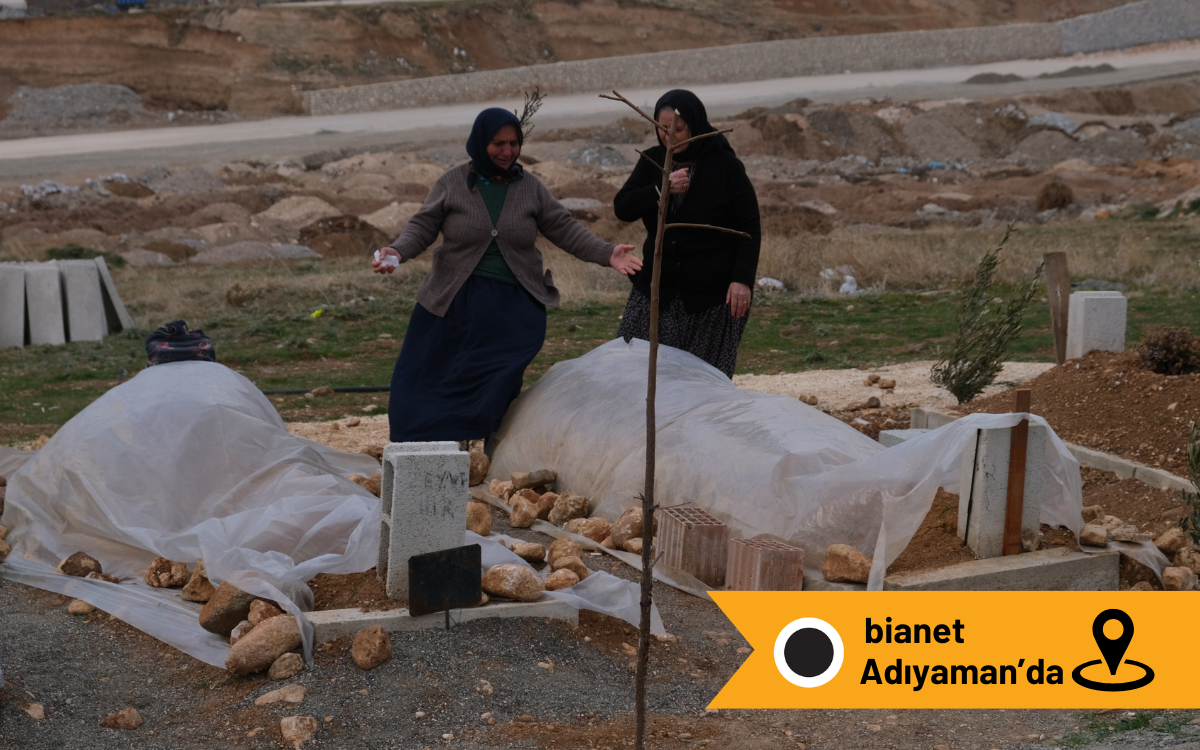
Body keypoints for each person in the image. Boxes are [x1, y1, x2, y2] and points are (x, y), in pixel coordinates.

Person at [373, 108, 642, 443]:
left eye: (514, 143)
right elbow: (422, 226)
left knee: (495, 384)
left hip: (511, 308)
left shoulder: (530, 188)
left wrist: (606, 253)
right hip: (452, 303)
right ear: (479, 142)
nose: (507, 151)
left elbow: (564, 227)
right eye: (498, 143)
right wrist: (397, 252)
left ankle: (488, 450)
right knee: (425, 379)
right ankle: (428, 449)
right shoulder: (452, 183)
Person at [613, 89, 761, 378]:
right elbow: (623, 207)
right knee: (634, 372)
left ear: (694, 124)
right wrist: (660, 190)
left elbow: (748, 226)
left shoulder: (724, 165)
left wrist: (742, 280)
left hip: (711, 298)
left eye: (677, 130)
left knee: (700, 383)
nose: (668, 137)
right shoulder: (652, 161)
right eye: (661, 129)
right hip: (657, 289)